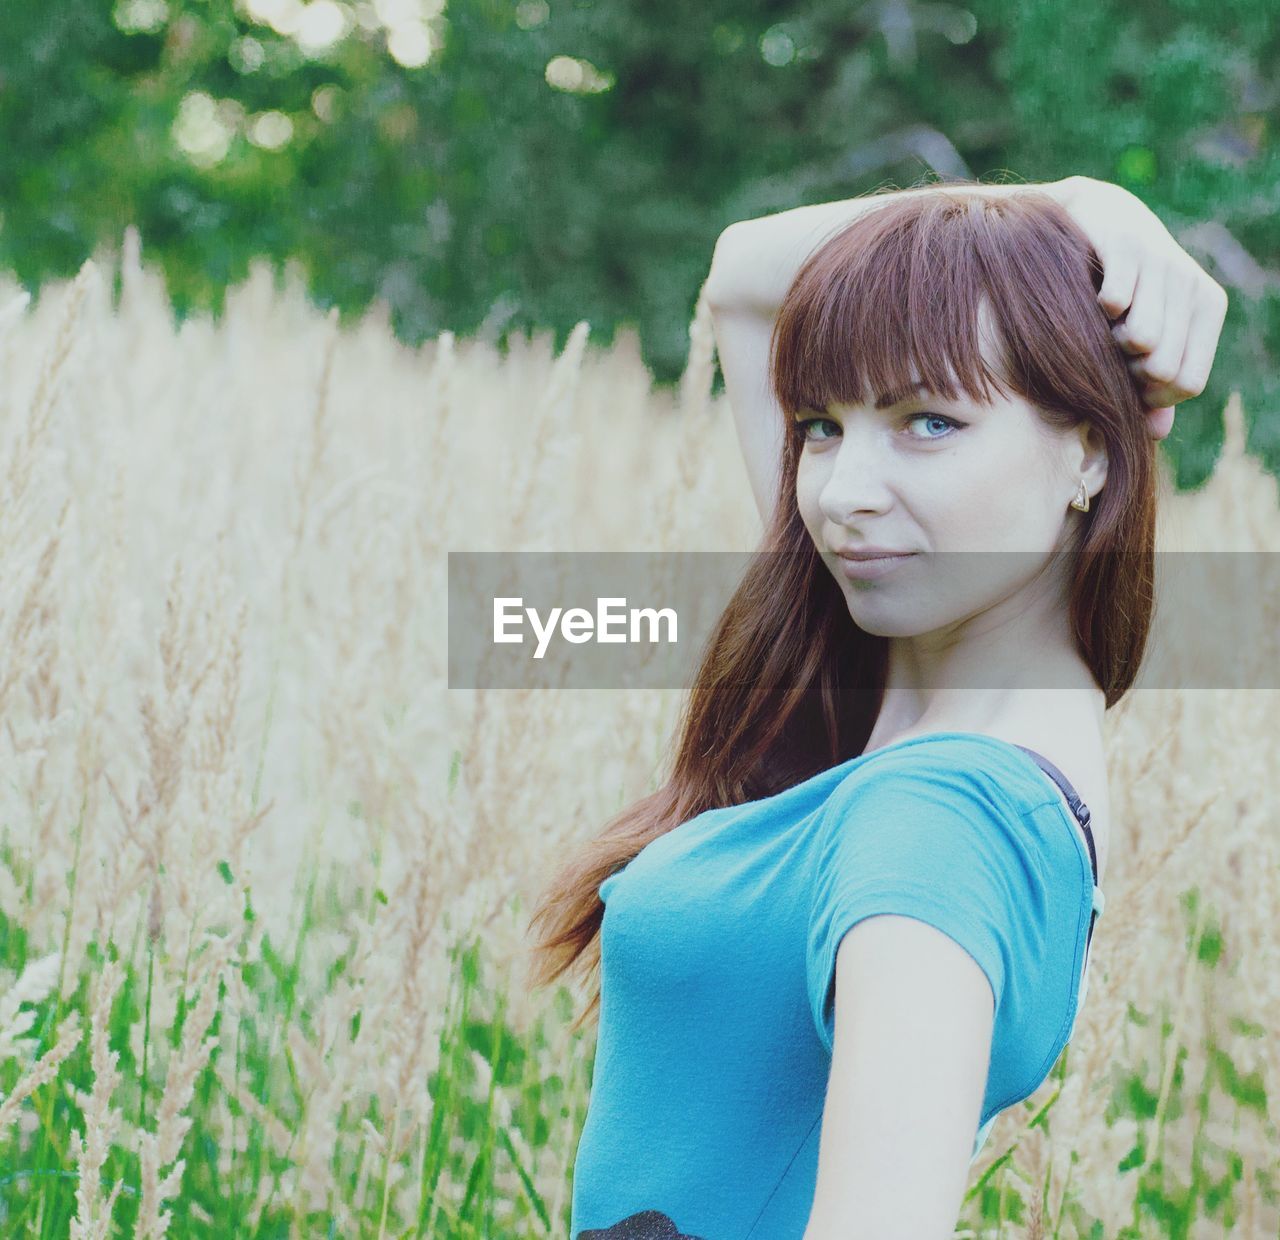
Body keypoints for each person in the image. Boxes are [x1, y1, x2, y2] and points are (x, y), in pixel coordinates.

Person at [526, 176, 1227, 1240]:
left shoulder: (941, 812)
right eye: (819, 424)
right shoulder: (882, 699)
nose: (842, 489)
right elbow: (746, 276)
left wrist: (1047, 229)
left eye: (927, 422)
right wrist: (1065, 205)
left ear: (1089, 449)